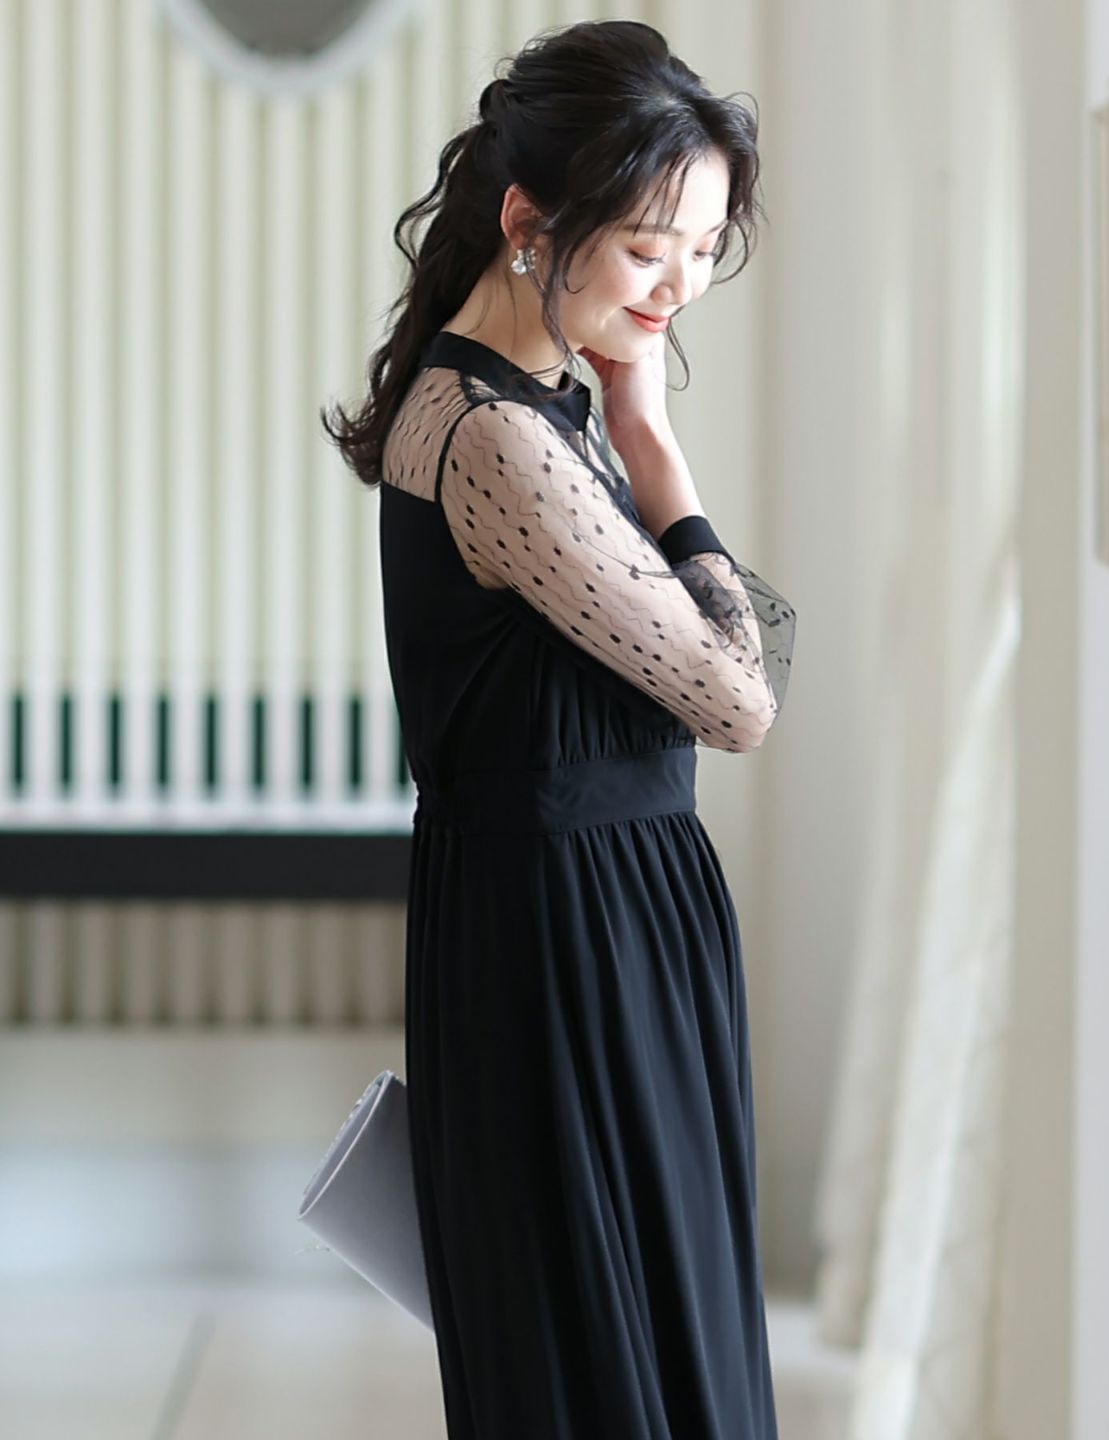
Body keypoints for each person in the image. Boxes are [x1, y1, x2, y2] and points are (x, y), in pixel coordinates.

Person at [321, 19, 795, 1439]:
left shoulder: (516, 401)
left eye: (702, 249)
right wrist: (657, 447)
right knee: (616, 1364)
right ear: (530, 221)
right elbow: (740, 696)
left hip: (586, 926)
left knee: (620, 1349)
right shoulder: (503, 437)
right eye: (650, 246)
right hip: (573, 944)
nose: (680, 286)